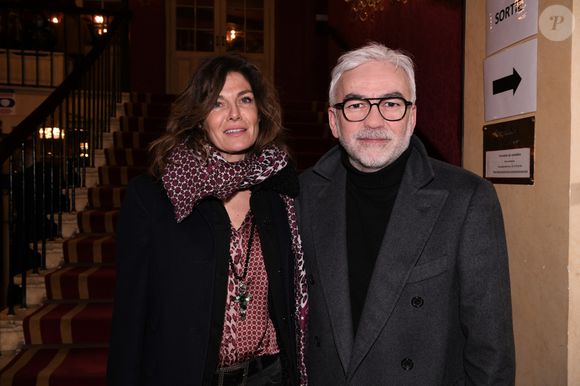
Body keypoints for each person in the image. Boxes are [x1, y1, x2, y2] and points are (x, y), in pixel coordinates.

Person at [297, 42, 515, 385]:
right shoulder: (303, 194)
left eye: (391, 104)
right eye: (355, 104)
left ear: (412, 117)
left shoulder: (467, 199)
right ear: (334, 120)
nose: (373, 120)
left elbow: (491, 349)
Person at [107, 54, 308, 386]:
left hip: (270, 376)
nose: (234, 113)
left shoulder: (280, 192)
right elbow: (130, 318)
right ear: (199, 118)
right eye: (217, 103)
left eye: (245, 99)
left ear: (259, 112)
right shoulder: (155, 197)